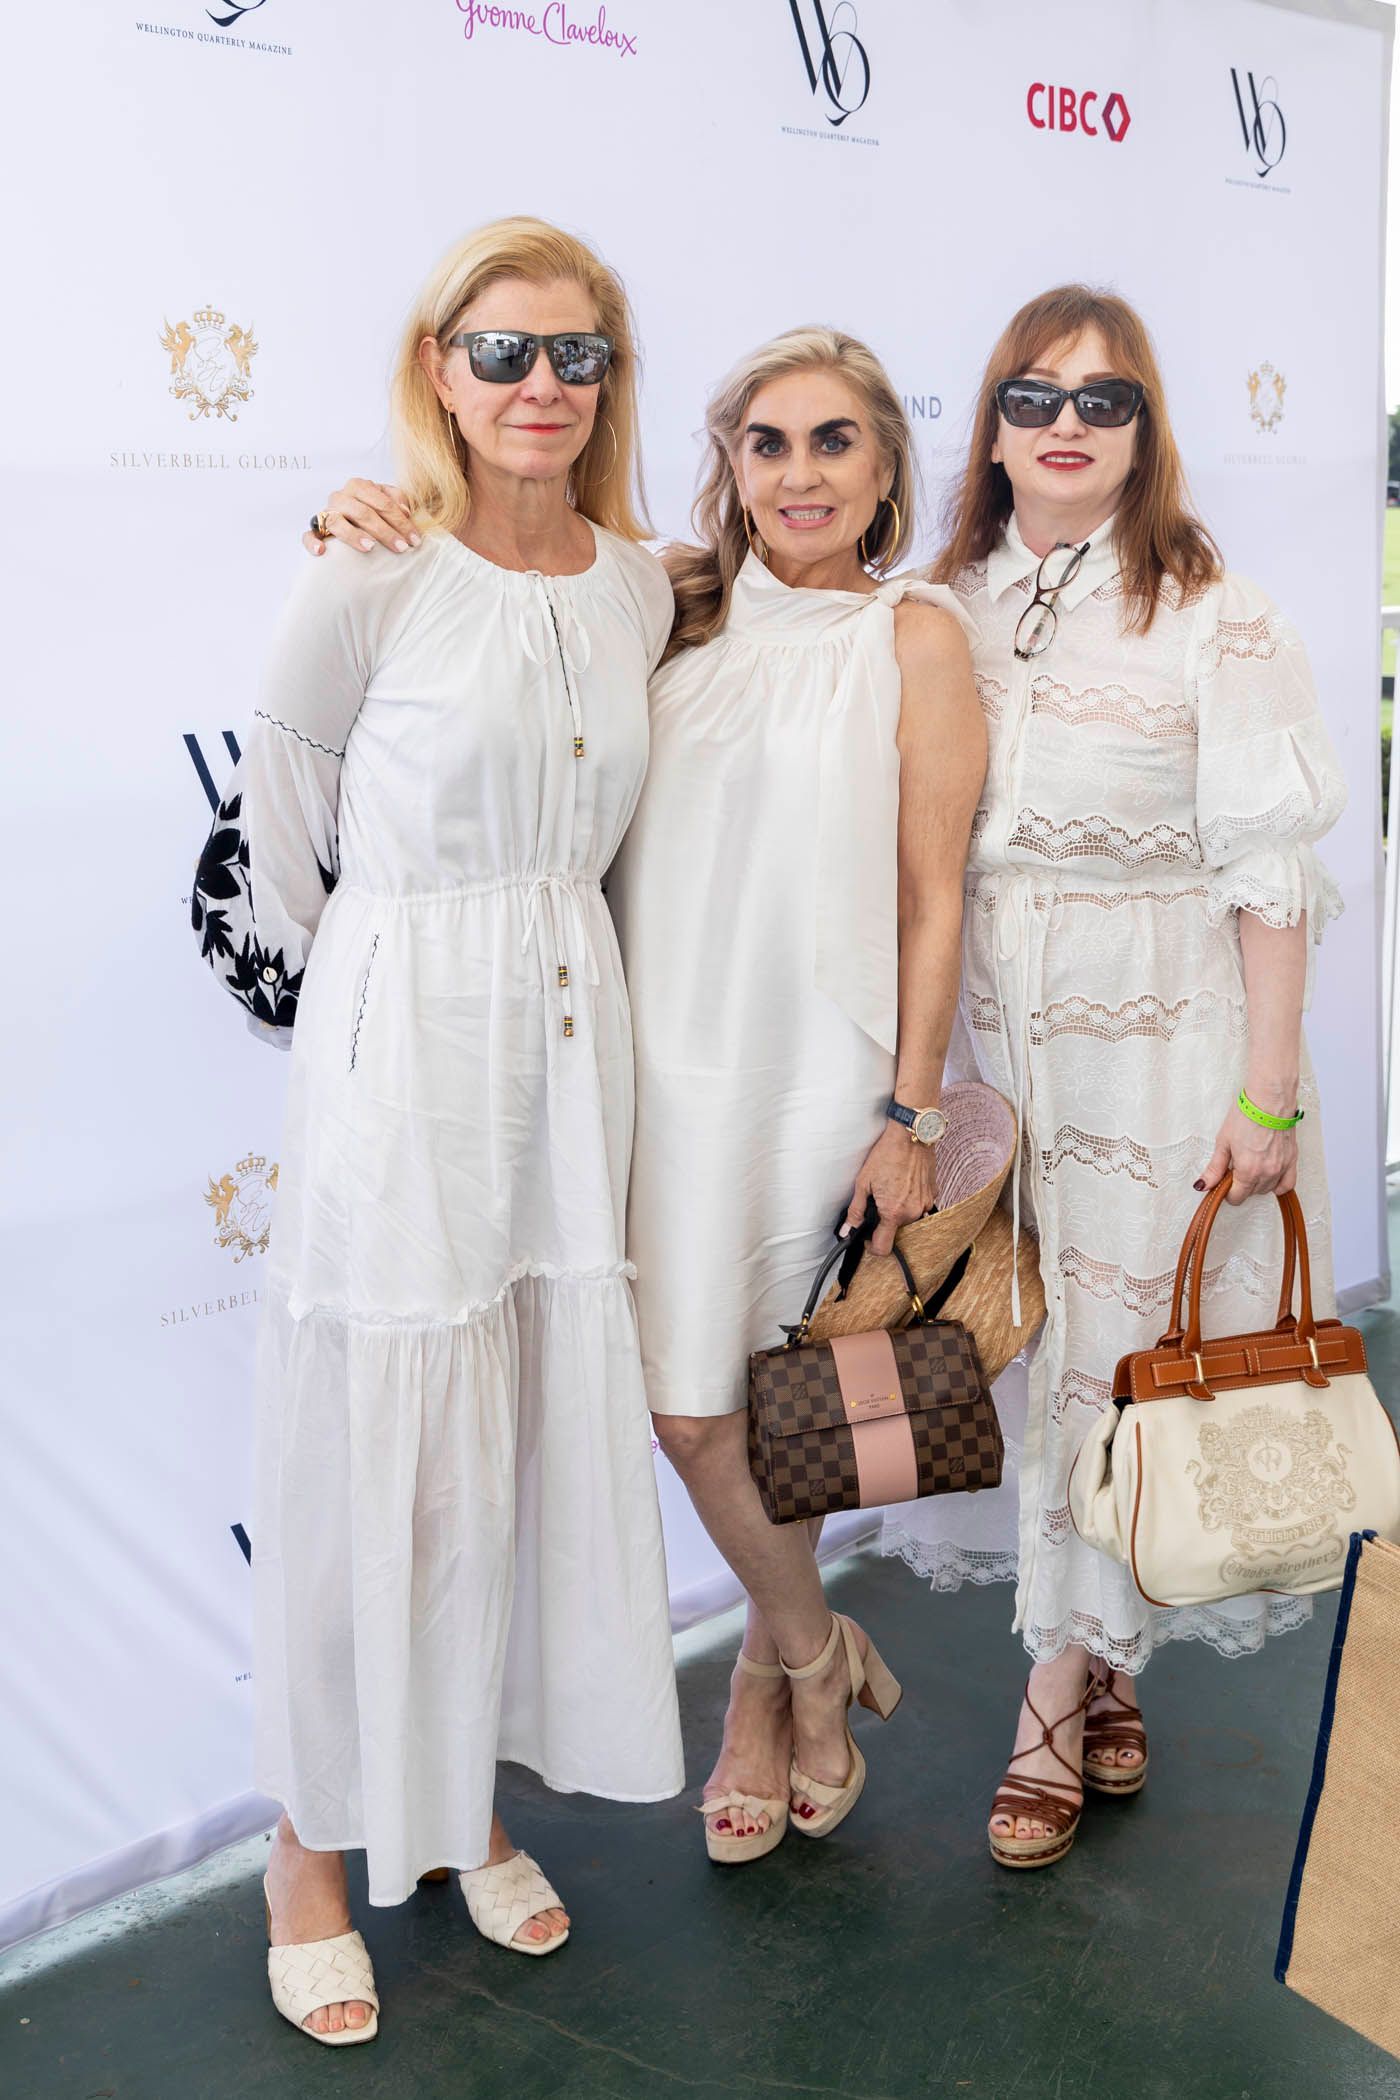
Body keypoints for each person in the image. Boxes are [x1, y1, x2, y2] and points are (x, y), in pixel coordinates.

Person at [312, 326, 984, 1865]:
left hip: (829, 1079)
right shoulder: (662, 606)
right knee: (693, 1416)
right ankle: (818, 1650)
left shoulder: (919, 638)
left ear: (887, 468)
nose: (799, 473)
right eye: (768, 442)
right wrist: (353, 520)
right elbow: (483, 594)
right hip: (653, 1073)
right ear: (728, 465)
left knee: (802, 1404)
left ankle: (766, 1692)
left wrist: (913, 1113)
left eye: (834, 442)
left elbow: (933, 898)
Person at [193, 216, 683, 2044]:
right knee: (380, 1458)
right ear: (437, 368)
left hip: (567, 1052)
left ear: (609, 380)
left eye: (577, 355)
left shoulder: (642, 585)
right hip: (404, 1047)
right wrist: (395, 997)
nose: (539, 388)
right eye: (502, 352)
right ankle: (310, 1848)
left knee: (508, 1446)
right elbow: (289, 836)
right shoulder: (370, 574)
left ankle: (456, 1793)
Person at [889, 284, 1346, 1867]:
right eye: (1035, 396)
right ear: (993, 424)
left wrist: (1271, 1093)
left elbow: (1269, 878)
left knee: (1125, 1367)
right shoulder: (940, 595)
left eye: (1104, 401)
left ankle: (1048, 1706)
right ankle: (1106, 1662)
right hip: (1004, 1067)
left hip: (1168, 1056)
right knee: (1043, 1365)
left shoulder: (1216, 607)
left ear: (1147, 430)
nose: (1067, 426)